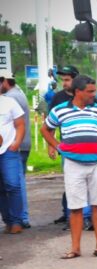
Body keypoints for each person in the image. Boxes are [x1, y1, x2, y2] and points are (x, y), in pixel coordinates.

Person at [41, 75, 97, 259]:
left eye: (95, 90)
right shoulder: (60, 110)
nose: (94, 94)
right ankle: (75, 248)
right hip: (73, 164)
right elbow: (45, 129)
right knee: (75, 207)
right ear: (78, 91)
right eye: (90, 91)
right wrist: (57, 145)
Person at [49, 65, 93, 229]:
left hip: (89, 151)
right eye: (63, 80)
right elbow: (49, 124)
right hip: (68, 151)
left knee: (86, 185)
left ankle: (87, 217)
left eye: (67, 80)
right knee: (72, 184)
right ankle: (72, 219)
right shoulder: (58, 98)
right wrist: (53, 146)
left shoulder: (90, 99)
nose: (64, 83)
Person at [1, 72, 32, 228]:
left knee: (13, 184)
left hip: (9, 150)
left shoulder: (10, 101)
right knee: (2, 187)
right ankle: (9, 220)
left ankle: (18, 220)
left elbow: (20, 124)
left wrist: (16, 142)